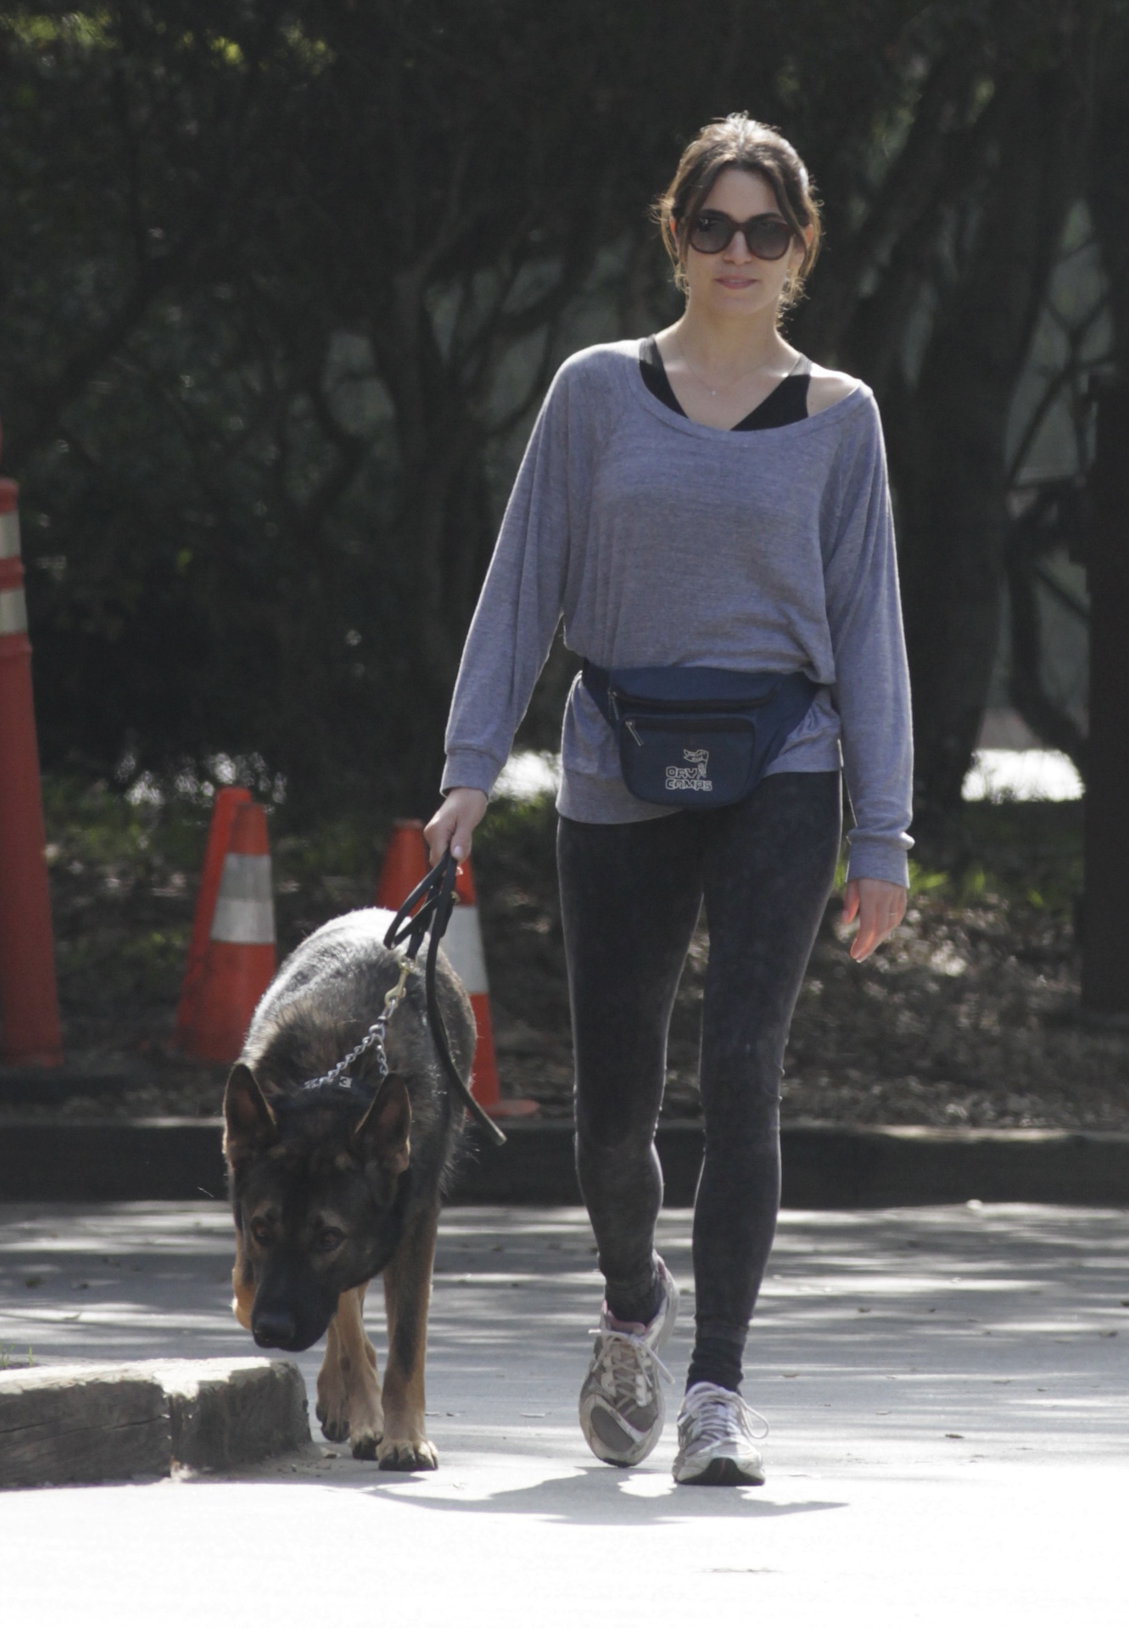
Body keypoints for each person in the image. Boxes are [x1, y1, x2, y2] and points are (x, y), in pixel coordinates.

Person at [425, 113, 912, 1487]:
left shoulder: (841, 421)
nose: (738, 251)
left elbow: (869, 633)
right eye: (714, 226)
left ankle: (716, 1393)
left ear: (800, 246)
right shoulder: (592, 392)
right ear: (676, 235)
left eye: (766, 229)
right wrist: (469, 771)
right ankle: (632, 1306)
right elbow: (521, 581)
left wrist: (880, 834)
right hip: (613, 754)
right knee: (610, 1107)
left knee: (740, 1070)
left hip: (785, 762)